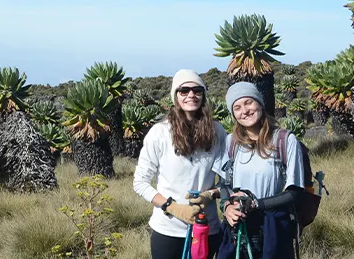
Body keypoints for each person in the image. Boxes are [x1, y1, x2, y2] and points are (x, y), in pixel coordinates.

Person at [132, 69, 227, 259]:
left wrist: (211, 194)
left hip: (206, 229)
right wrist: (173, 207)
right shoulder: (159, 133)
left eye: (197, 90)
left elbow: (227, 181)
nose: (191, 95)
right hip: (167, 231)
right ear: (175, 96)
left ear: (203, 95)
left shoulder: (217, 131)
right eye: (184, 90)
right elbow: (140, 183)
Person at [213, 82, 309, 259]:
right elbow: (224, 184)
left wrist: (256, 204)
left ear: (260, 103)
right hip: (237, 228)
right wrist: (227, 207)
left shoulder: (285, 140)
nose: (245, 111)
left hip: (272, 229)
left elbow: (294, 191)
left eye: (249, 102)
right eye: (237, 107)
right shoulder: (230, 142)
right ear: (233, 114)